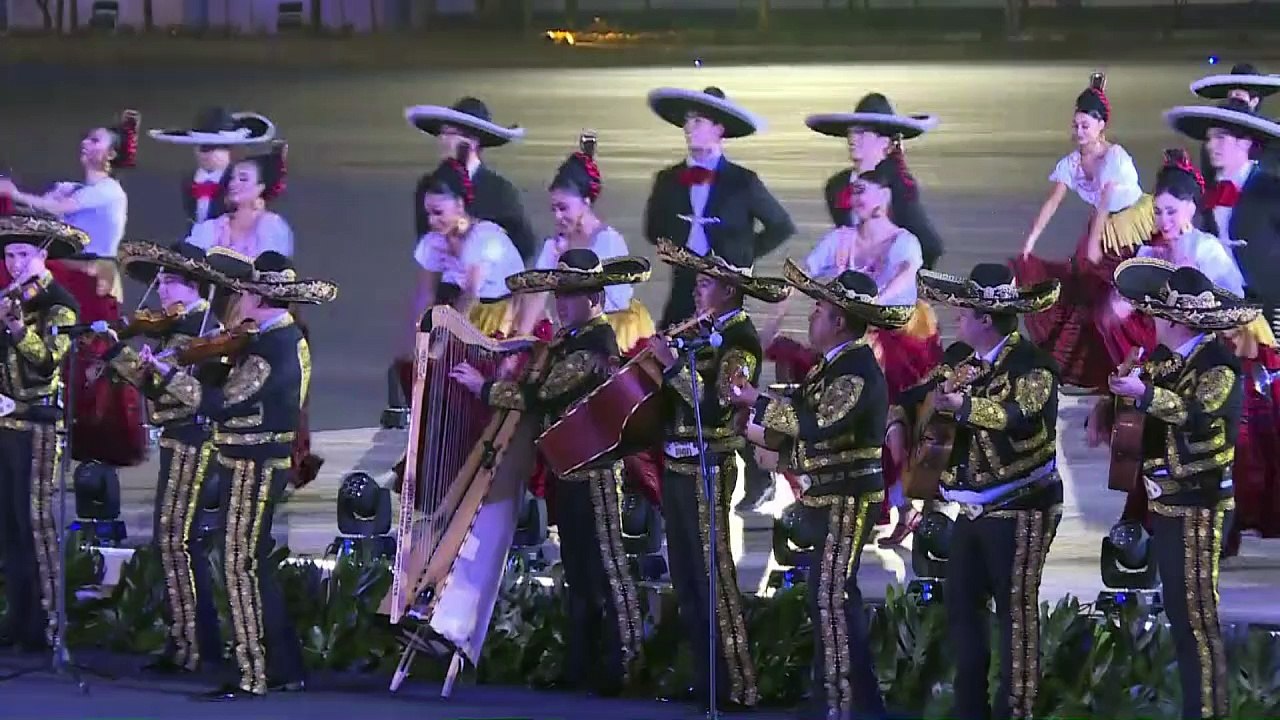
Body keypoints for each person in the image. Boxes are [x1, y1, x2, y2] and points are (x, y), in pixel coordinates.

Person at [452, 248, 650, 696]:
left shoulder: (596, 345)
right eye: (559, 294)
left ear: (595, 299)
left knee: (608, 570)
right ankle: (582, 664)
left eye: (573, 295)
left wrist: (485, 387)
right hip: (568, 468)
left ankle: (625, 665)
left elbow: (544, 392)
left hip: (595, 473)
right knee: (579, 570)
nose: (562, 302)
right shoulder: (568, 340)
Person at [141, 247, 336, 700]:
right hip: (250, 459)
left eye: (242, 294)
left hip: (253, 463)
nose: (235, 303)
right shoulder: (280, 339)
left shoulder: (271, 349)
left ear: (257, 298)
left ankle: (256, 671)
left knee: (239, 564)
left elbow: (222, 403)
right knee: (249, 564)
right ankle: (281, 665)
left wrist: (167, 374)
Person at [731, 261, 913, 720]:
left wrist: (757, 401)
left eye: (819, 309)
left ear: (839, 321)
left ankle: (838, 703)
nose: (812, 317)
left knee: (830, 596)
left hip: (848, 499)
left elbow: (814, 423)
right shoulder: (834, 367)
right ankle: (851, 701)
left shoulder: (854, 372)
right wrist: (756, 423)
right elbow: (798, 415)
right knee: (831, 595)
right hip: (830, 496)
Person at [646, 239, 790, 711]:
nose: (695, 292)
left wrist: (671, 369)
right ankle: (706, 675)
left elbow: (720, 402)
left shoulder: (741, 341)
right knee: (686, 577)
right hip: (676, 464)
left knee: (713, 576)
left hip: (708, 467)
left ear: (728, 291)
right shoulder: (701, 330)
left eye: (704, 284)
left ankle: (738, 684)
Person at [916, 262, 1064, 720]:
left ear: (985, 319)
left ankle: (1015, 712)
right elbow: (921, 394)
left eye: (965, 313)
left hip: (1021, 507)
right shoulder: (960, 356)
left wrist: (965, 407)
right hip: (970, 509)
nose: (958, 319)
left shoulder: (1034, 366)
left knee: (1016, 616)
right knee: (962, 613)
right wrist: (905, 417)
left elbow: (1018, 415)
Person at [770, 159, 944, 537]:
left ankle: (901, 501)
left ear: (884, 195)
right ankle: (817, 486)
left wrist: (867, 305)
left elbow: (902, 280)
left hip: (895, 341)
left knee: (891, 413)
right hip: (855, 335)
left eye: (862, 190)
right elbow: (802, 275)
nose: (854, 197)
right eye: (854, 190)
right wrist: (774, 318)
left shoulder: (903, 242)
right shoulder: (842, 239)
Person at [1107, 258, 1248, 720]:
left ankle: (1208, 712)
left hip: (1200, 506)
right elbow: (1141, 395)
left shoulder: (1219, 367)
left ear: (1176, 321)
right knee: (1181, 616)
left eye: (1159, 316)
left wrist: (1144, 394)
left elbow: (1196, 411)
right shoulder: (1169, 360)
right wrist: (1125, 387)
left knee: (1197, 622)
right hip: (1169, 505)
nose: (1152, 323)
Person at [102, 239, 226, 674]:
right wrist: (121, 357)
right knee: (170, 541)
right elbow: (156, 389)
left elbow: (193, 397)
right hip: (175, 438)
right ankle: (184, 640)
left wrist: (155, 367)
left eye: (171, 281)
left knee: (177, 540)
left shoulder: (206, 329)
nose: (163, 291)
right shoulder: (172, 329)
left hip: (195, 439)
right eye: (163, 282)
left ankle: (196, 645)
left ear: (195, 287)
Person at [1014, 73, 1154, 391]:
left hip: (1130, 227)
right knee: (1081, 294)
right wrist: (1030, 241)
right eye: (1075, 126)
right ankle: (1096, 366)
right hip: (1101, 226)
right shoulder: (1072, 163)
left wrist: (1093, 244)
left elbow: (1105, 200)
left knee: (1121, 293)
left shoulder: (1114, 157)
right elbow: (1052, 202)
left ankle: (1139, 361)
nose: (1079, 132)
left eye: (1085, 126)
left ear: (1101, 126)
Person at [642, 85, 795, 329]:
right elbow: (652, 229)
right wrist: (678, 249)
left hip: (727, 294)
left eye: (698, 121)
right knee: (666, 353)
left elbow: (781, 225)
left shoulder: (743, 181)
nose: (688, 127)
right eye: (687, 120)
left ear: (719, 128)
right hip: (682, 291)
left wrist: (740, 255)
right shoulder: (667, 180)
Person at [0, 206, 83, 651]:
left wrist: (16, 330)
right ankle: (20, 622)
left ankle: (52, 627)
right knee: (9, 527)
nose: (15, 265)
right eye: (10, 256)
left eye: (23, 255)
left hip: (40, 428)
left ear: (42, 257)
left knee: (38, 525)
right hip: (5, 424)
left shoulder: (59, 304)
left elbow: (51, 359)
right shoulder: (9, 298)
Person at [514, 132, 655, 353]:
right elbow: (537, 295)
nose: (557, 217)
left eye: (564, 208)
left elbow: (606, 302)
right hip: (577, 330)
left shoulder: (608, 241)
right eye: (554, 209)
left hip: (616, 330)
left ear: (585, 201)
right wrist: (517, 344)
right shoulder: (553, 246)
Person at [0, 110, 137, 320]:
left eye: (94, 140)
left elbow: (56, 208)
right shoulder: (75, 189)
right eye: (86, 138)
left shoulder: (109, 191)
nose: (85, 143)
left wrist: (16, 193)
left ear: (111, 154)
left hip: (91, 273)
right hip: (72, 269)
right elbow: (41, 212)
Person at [1164, 97, 1280, 335]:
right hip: (1222, 307)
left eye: (1220, 137)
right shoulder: (1209, 195)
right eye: (1209, 138)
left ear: (1244, 142)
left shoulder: (1271, 189)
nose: (1211, 145)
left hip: (1269, 309)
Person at [810, 91, 945, 269]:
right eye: (851, 132)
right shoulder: (837, 186)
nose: (852, 139)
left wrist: (907, 281)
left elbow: (930, 246)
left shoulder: (899, 185)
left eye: (863, 133)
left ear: (886, 143)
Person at [409, 146, 526, 341]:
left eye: (438, 213)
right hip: (456, 315)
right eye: (428, 213)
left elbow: (470, 296)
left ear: (460, 205)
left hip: (501, 319)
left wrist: (441, 346)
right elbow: (424, 295)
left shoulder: (485, 238)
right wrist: (417, 344)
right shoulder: (434, 241)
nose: (431, 221)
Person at [407, 97, 537, 261]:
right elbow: (424, 241)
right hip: (443, 282)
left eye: (450, 134)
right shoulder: (428, 185)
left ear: (472, 141)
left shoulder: (500, 189)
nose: (443, 140)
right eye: (442, 133)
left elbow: (524, 245)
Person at [148, 107, 277, 226]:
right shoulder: (189, 180)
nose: (205, 153)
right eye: (200, 147)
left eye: (213, 148)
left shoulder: (237, 180)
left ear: (228, 151)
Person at [185, 141, 293, 259]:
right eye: (232, 178)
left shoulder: (270, 225)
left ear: (260, 187)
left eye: (243, 178)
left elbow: (271, 268)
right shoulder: (212, 227)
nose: (233, 184)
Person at [1189, 63, 1280, 180]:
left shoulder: (1272, 141)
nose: (1232, 100)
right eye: (1230, 95)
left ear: (1254, 101)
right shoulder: (1213, 140)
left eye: (1238, 95)